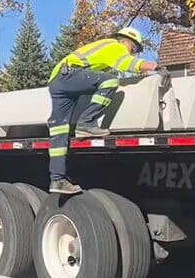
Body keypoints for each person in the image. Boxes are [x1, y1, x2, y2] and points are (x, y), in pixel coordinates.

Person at [47, 27, 157, 194]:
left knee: (59, 131)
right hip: (70, 74)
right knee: (111, 81)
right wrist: (153, 66)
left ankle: (57, 180)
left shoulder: (102, 47)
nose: (133, 53)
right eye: (134, 49)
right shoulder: (114, 46)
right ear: (128, 42)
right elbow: (127, 64)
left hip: (58, 81)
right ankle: (86, 123)